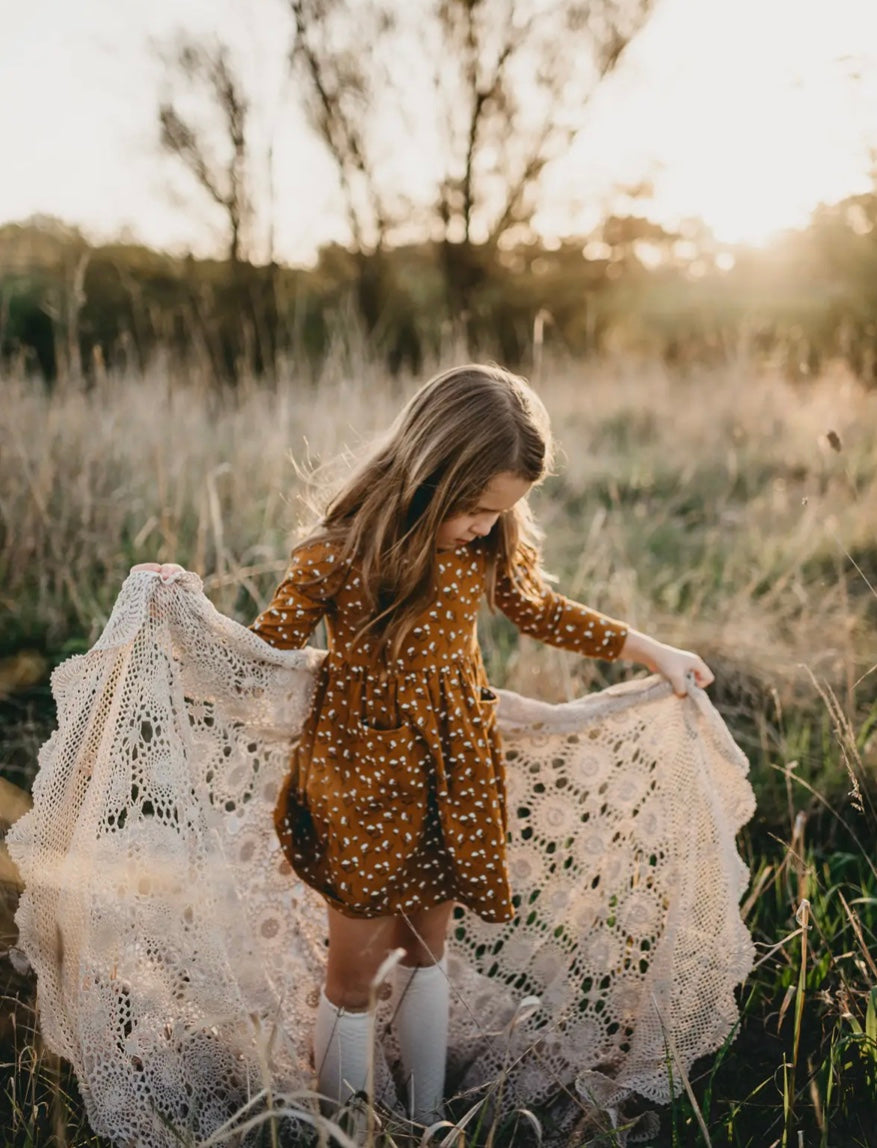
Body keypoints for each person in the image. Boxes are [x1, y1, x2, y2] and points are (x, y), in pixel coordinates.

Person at [135, 363, 713, 1133]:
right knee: (351, 973)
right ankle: (343, 1126)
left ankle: (425, 1118)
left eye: (499, 511)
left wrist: (651, 650)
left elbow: (540, 610)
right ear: (431, 473)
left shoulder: (485, 545)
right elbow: (259, 654)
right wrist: (181, 610)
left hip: (456, 770)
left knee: (425, 949)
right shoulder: (339, 553)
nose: (484, 524)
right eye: (473, 508)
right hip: (360, 779)